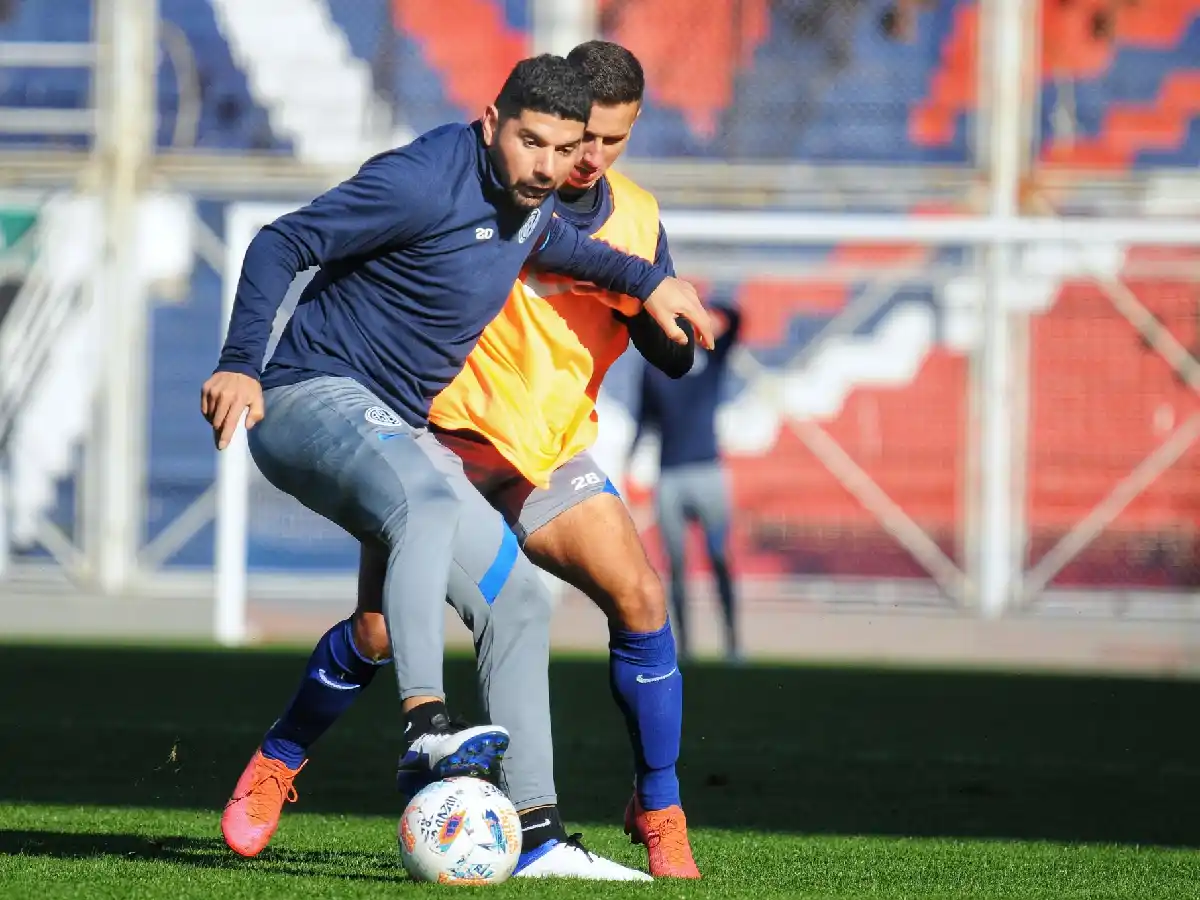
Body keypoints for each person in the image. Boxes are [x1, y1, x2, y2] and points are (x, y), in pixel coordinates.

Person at [219, 43, 703, 880]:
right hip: (319, 398)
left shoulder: (541, 204)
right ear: (493, 124)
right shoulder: (424, 178)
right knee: (417, 533)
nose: (559, 164)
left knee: (517, 599)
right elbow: (280, 242)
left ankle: (539, 832)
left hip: (458, 440)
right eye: (536, 143)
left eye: (576, 146)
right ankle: (418, 731)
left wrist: (651, 284)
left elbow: (571, 250)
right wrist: (238, 362)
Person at [634, 302, 742, 662]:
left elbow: (738, 319)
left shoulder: (710, 359)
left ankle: (732, 644)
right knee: (676, 566)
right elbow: (643, 418)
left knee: (718, 558)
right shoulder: (653, 370)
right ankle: (687, 648)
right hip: (670, 477)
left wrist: (706, 305)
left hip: (708, 472)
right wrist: (631, 459)